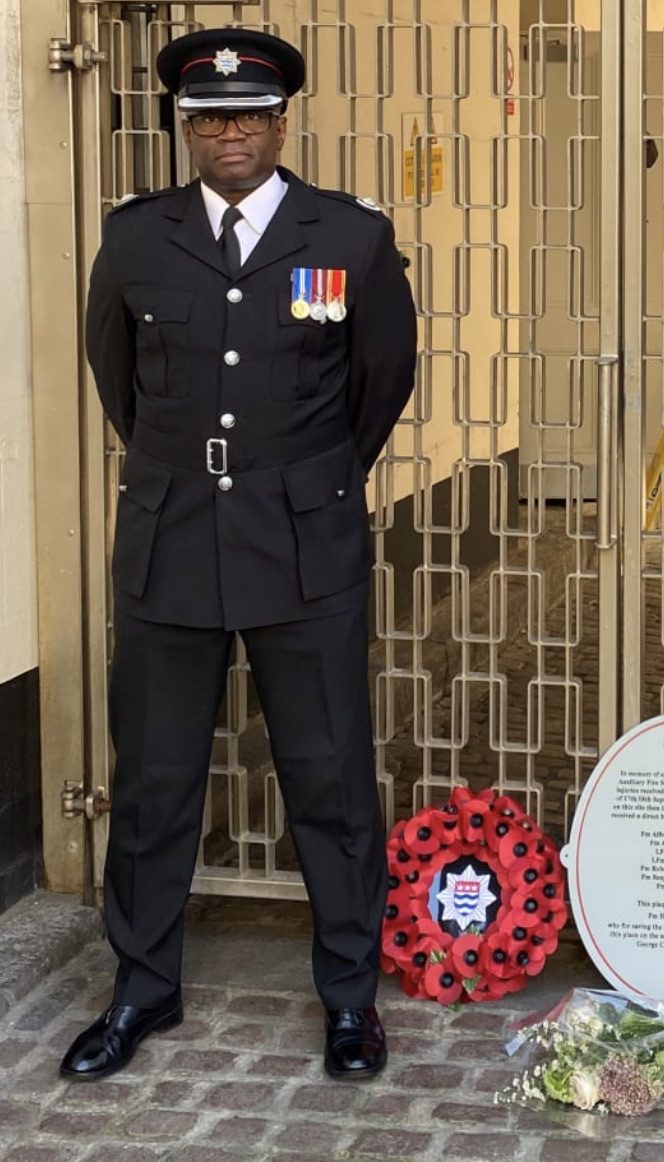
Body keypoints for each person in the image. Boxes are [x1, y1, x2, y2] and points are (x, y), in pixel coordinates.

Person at [61, 28, 417, 1082]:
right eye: (211, 117)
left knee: (328, 774)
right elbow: (118, 377)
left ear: (281, 123)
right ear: (186, 128)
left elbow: (380, 381)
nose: (231, 133)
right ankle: (142, 987)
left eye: (250, 115)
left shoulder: (348, 237)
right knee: (154, 777)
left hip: (304, 541)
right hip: (171, 539)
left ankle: (349, 997)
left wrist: (304, 476)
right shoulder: (137, 238)